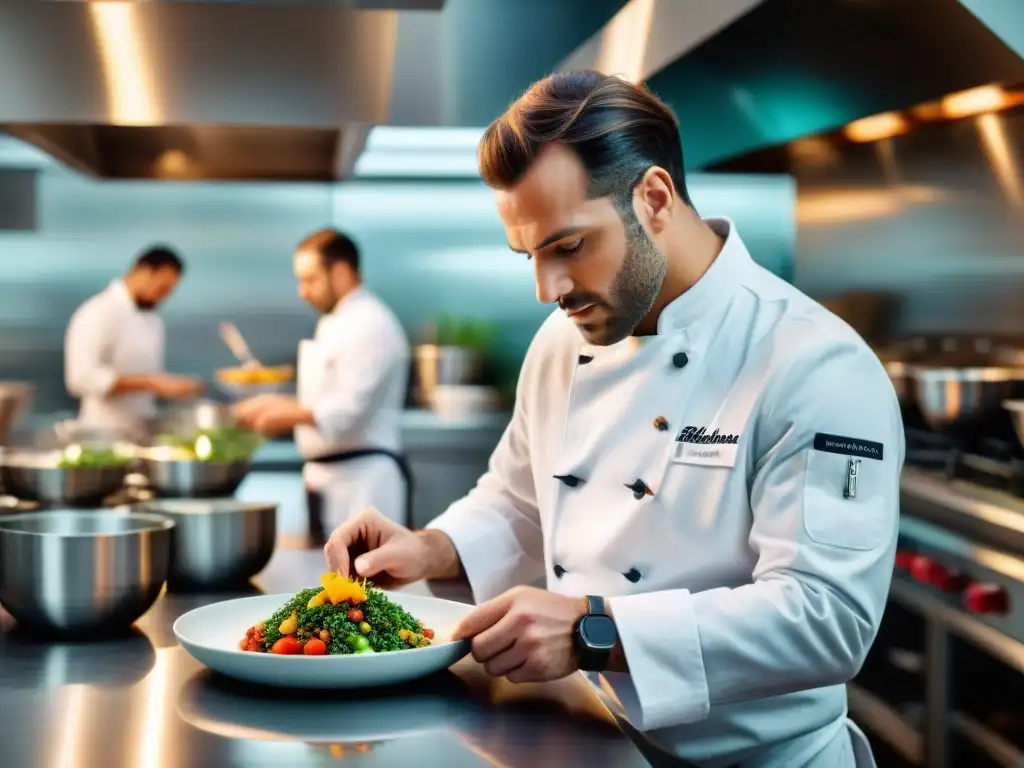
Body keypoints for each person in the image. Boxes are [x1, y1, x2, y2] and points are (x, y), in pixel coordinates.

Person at [322, 71, 903, 767]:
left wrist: (596, 631)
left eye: (567, 247)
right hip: (594, 735)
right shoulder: (562, 345)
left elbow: (828, 620)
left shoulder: (814, 363)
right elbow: (519, 498)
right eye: (530, 256)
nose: (547, 289)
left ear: (654, 197)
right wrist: (432, 548)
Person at [235, 229, 411, 542]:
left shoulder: (372, 324)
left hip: (364, 484)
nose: (302, 292)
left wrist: (284, 415)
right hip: (328, 480)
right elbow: (323, 395)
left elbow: (347, 412)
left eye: (310, 279)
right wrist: (275, 404)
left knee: (366, 586)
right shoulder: (334, 319)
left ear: (341, 273)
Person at [64, 245, 202, 435]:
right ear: (142, 271)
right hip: (103, 433)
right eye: (162, 288)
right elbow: (81, 378)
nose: (164, 296)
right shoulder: (98, 312)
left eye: (169, 291)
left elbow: (149, 372)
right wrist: (152, 383)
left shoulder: (151, 318)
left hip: (143, 430)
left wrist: (172, 386)